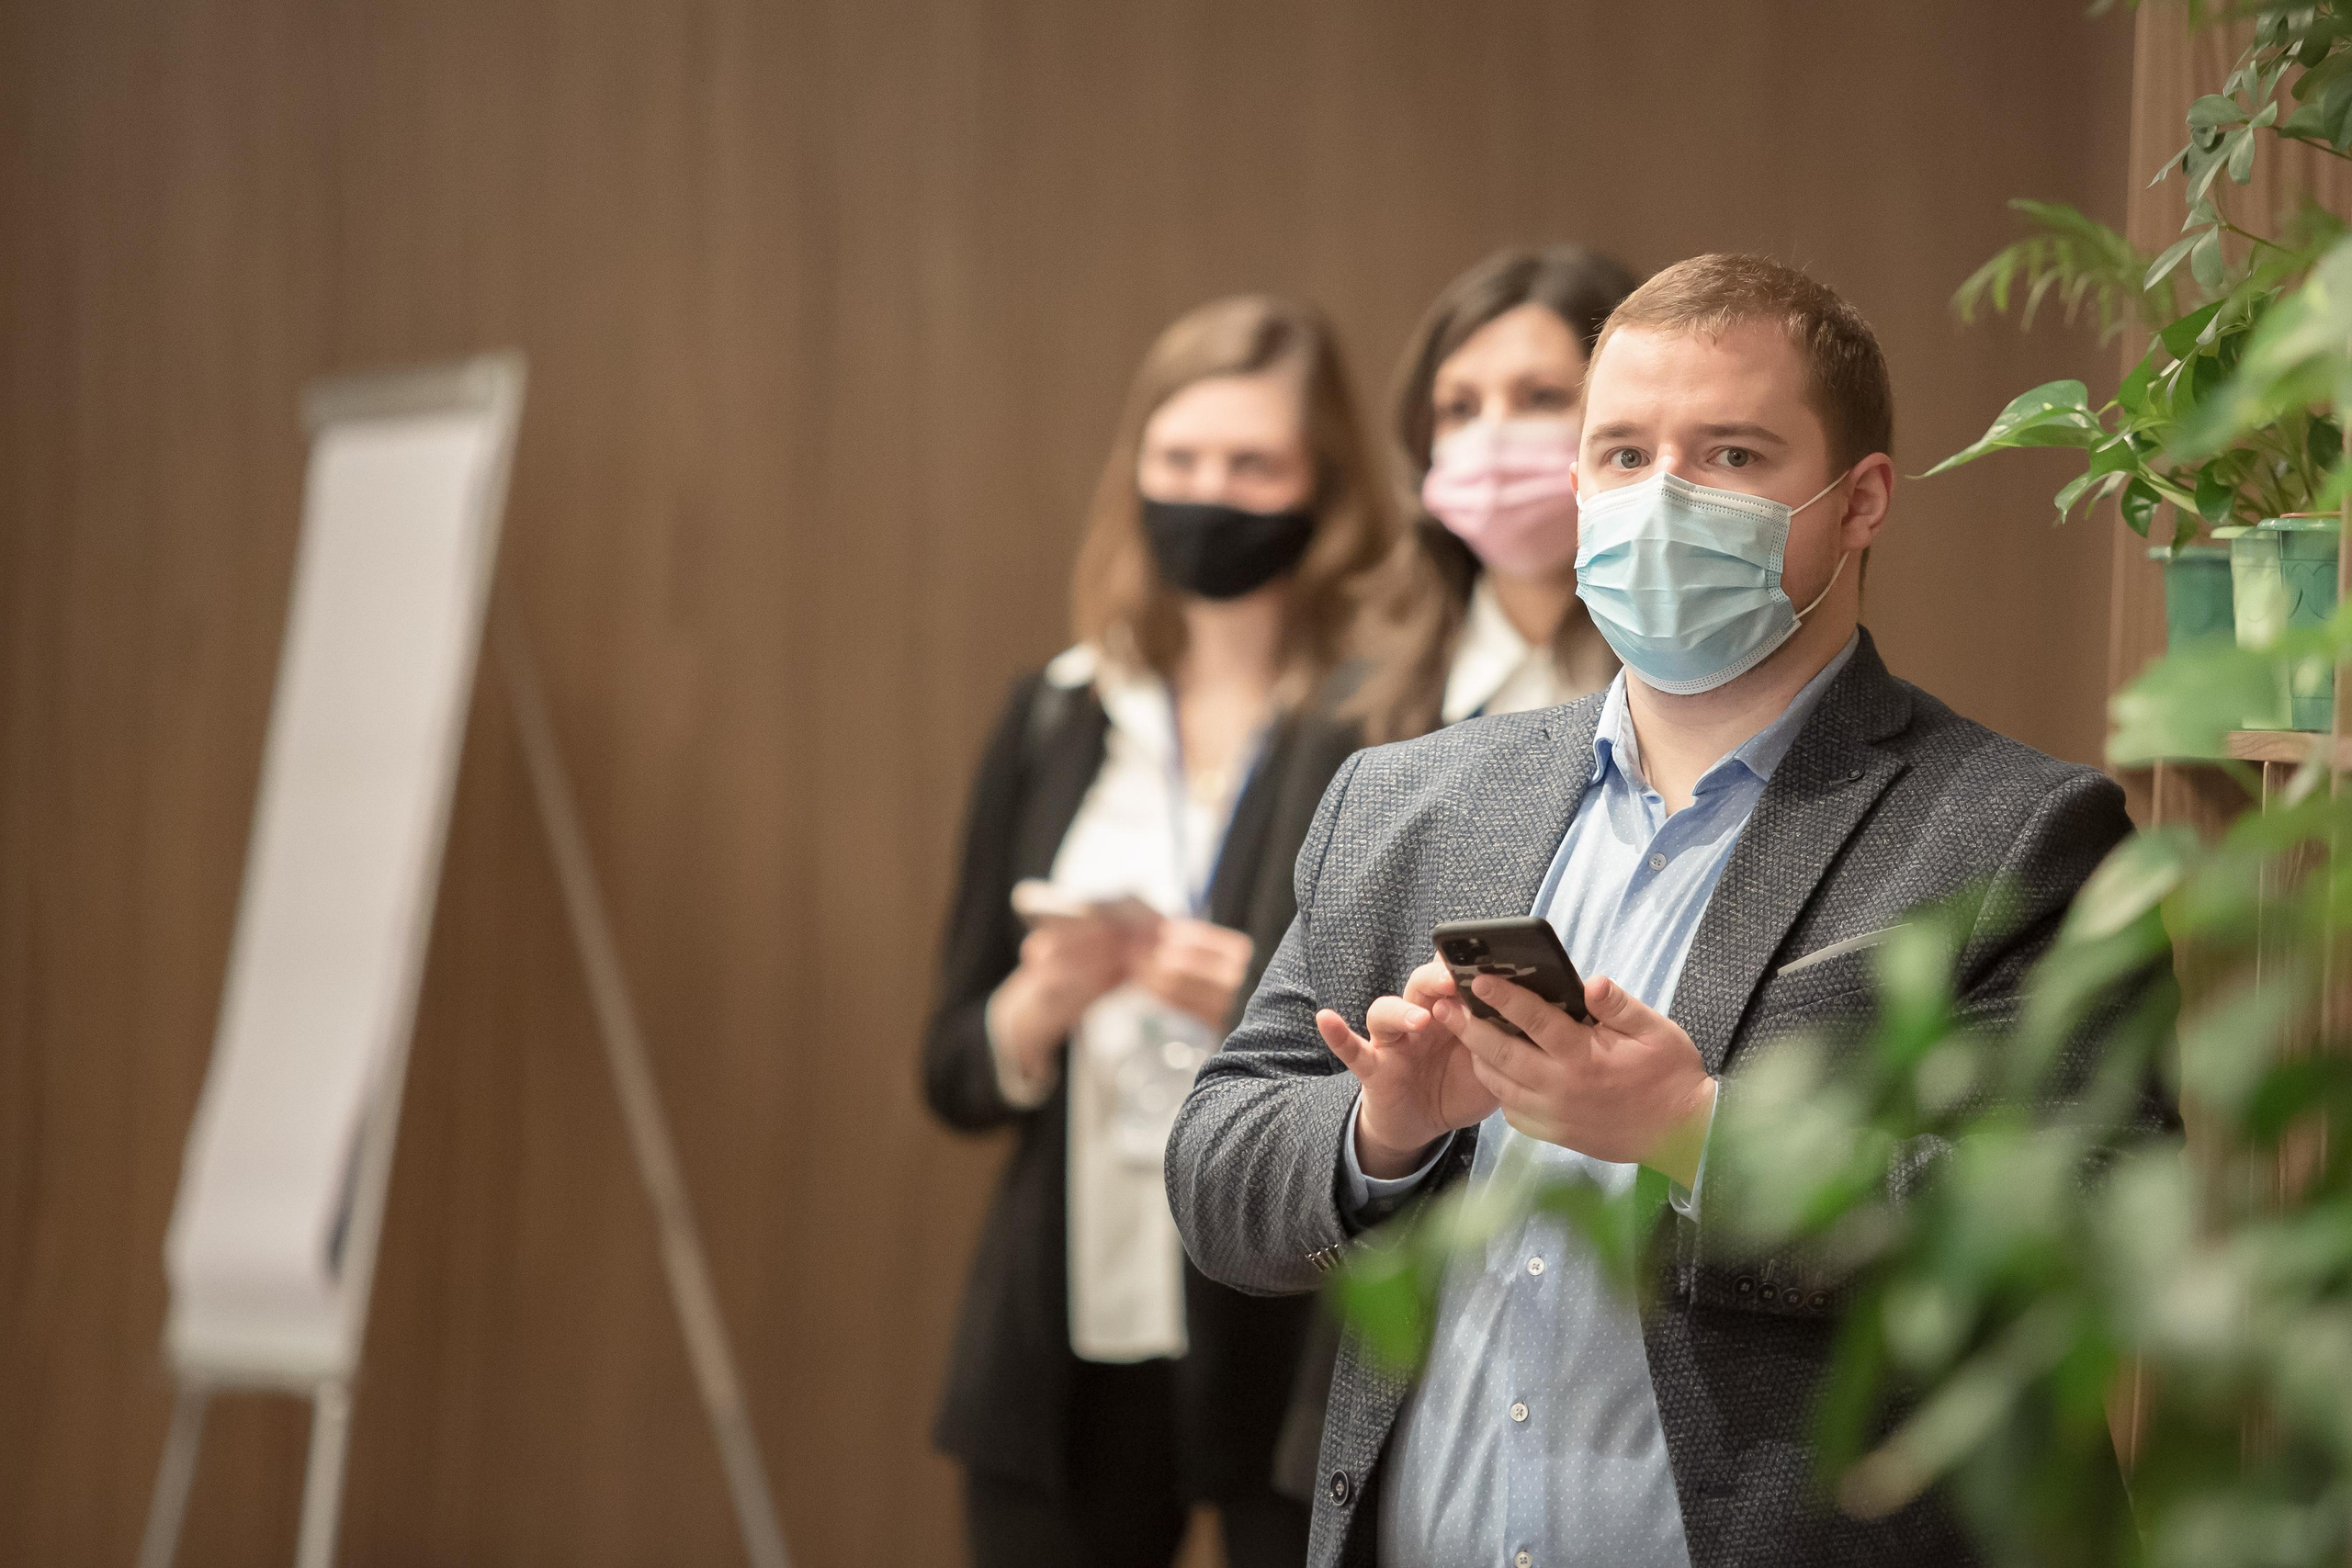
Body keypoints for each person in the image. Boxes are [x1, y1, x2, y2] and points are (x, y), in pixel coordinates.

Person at [1167, 254, 2169, 1568]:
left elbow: (2087, 1238)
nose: (1661, 499)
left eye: (1733, 454)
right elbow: (1218, 1162)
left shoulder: (2019, 832)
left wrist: (1697, 1133)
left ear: (1861, 500)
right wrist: (1381, 1133)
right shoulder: (1407, 799)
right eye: (1625, 452)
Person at [923, 294, 1396, 1568]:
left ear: (1325, 485)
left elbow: (1430, 1046)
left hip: (1285, 1334)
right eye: (1180, 461)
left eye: (1252, 464)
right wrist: (1035, 1005)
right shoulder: (1060, 710)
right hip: (1065, 1331)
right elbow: (951, 1069)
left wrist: (1264, 1001)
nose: (1211, 493)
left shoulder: (1388, 725)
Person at [1351, 243, 1638, 746]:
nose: (1493, 434)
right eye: (1460, 408)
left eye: (1541, 397)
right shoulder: (1354, 716)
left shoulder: (1713, 695)